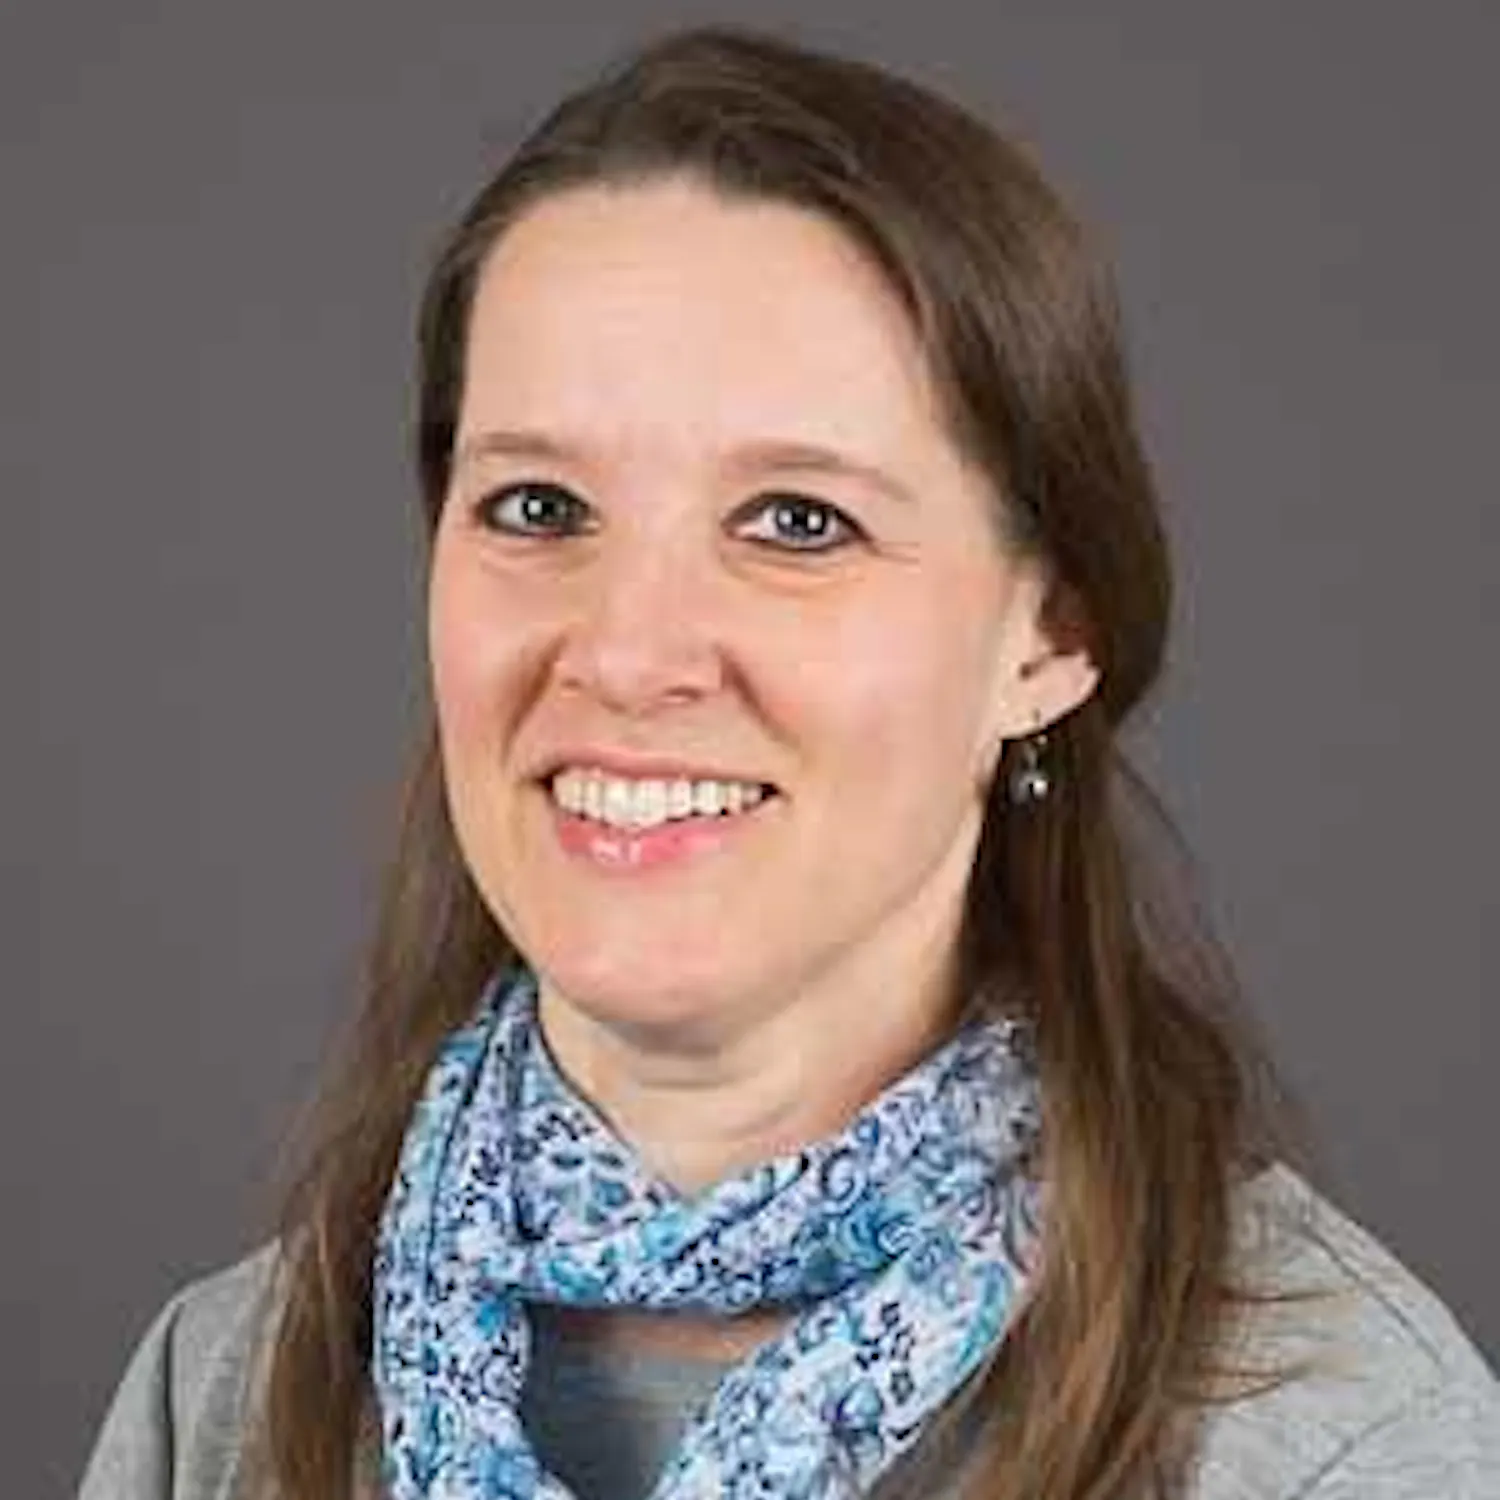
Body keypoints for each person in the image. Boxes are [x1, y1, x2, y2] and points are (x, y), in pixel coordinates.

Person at [77, 25, 1498, 1500]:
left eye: (797, 523)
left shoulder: (1332, 1436)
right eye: (541, 506)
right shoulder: (229, 1393)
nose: (628, 653)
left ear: (1051, 633)